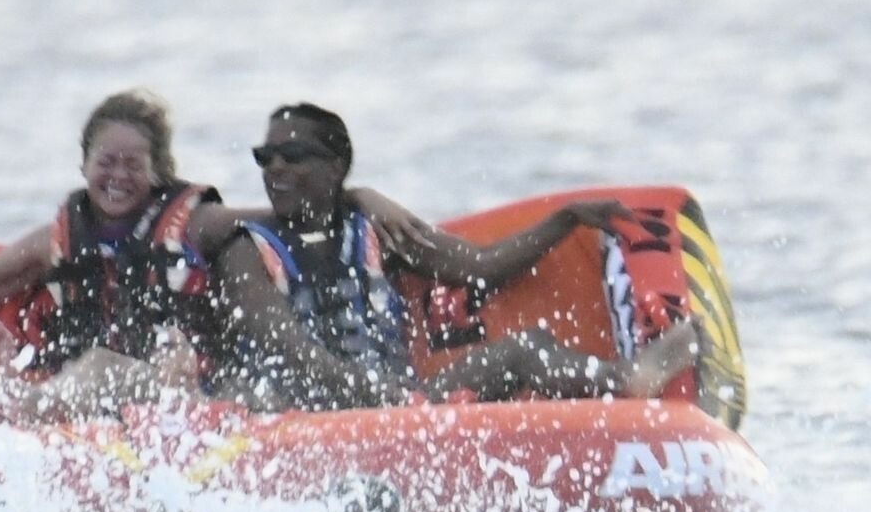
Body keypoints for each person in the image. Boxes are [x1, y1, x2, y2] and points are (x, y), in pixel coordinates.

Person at [0, 90, 417, 417]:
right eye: (105, 163)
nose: (117, 176)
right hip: (106, 407)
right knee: (99, 370)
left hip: (193, 394)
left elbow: (287, 217)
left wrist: (359, 196)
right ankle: (31, 405)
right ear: (84, 165)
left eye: (133, 165)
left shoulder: (197, 223)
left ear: (158, 171)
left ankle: (22, 408)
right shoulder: (57, 239)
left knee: (106, 369)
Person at [214, 102, 700, 411]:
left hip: (401, 408)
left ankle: (628, 379)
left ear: (336, 166)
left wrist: (564, 220)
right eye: (264, 158)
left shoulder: (378, 231)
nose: (275, 169)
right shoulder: (246, 251)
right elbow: (291, 353)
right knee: (253, 391)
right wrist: (381, 399)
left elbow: (481, 268)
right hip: (302, 418)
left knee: (525, 350)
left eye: (293, 156)